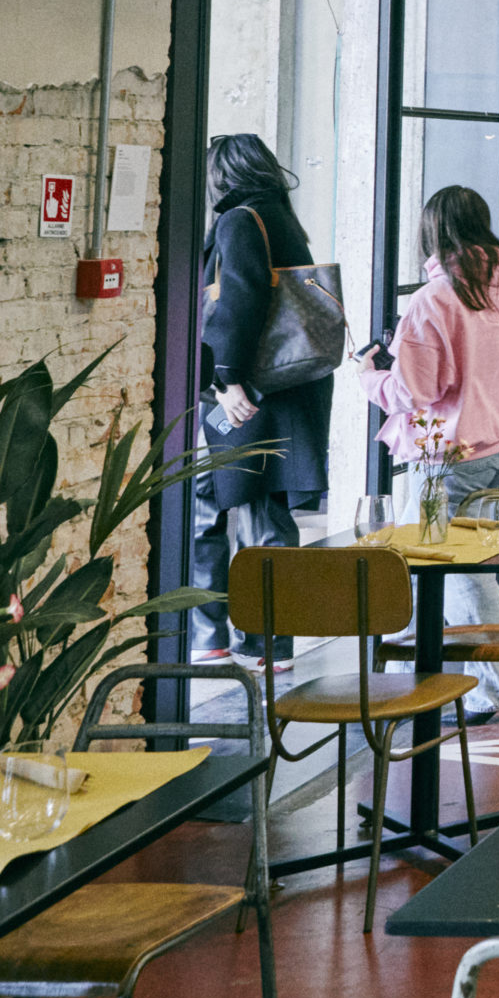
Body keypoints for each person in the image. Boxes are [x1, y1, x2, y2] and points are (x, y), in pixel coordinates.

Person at [356, 185, 499, 719]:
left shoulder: (434, 299)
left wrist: (370, 377)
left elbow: (416, 391)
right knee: (426, 561)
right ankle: (415, 674)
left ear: (432, 232)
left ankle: (496, 687)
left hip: (449, 456)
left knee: (454, 569)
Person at [190, 133, 333, 671]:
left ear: (223, 175)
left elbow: (241, 302)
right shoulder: (279, 217)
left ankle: (255, 640)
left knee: (247, 507)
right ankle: (231, 635)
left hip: (251, 389)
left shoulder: (240, 220)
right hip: (285, 387)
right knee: (224, 496)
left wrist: (228, 381)